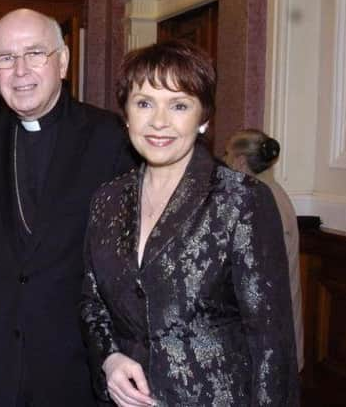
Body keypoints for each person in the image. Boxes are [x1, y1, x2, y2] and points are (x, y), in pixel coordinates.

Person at [81, 40, 299, 406]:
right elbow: (92, 302)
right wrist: (110, 358)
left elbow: (270, 343)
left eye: (179, 105)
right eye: (144, 103)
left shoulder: (240, 199)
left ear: (204, 119)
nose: (159, 121)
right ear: (126, 114)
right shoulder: (107, 199)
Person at [0, 8, 136, 407]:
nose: (20, 71)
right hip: (2, 364)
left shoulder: (112, 139)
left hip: (82, 366)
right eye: (5, 58)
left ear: (63, 61)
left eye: (35, 53)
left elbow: (129, 266)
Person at [225, 129, 303, 371]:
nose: (224, 159)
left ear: (239, 160)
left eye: (227, 154)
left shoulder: (256, 200)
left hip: (266, 328)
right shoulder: (275, 192)